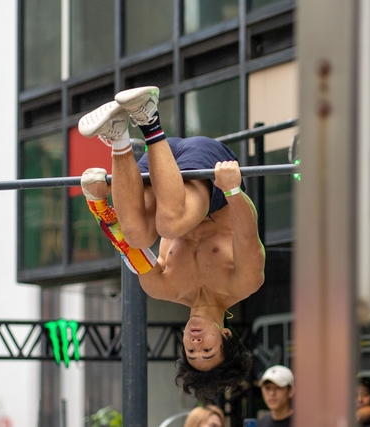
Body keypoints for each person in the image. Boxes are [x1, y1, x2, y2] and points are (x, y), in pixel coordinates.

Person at [78, 86, 265, 401]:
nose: (196, 343)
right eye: (207, 350)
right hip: (210, 171)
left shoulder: (160, 288)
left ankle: (118, 136)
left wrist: (96, 201)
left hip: (161, 165)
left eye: (191, 351)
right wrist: (233, 189)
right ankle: (149, 118)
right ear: (225, 335)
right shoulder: (245, 283)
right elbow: (248, 233)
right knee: (170, 225)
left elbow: (126, 246)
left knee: (139, 235)